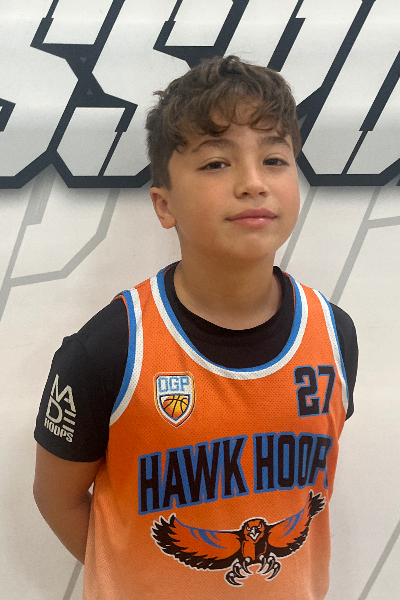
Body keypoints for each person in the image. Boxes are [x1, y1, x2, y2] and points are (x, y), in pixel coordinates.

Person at [33, 55, 358, 600]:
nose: (253, 183)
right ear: (165, 206)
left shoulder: (334, 334)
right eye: (216, 163)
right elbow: (56, 498)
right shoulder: (109, 347)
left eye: (274, 159)